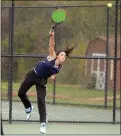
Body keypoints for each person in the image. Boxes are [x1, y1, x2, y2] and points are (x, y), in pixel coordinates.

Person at [18, 30, 74, 134]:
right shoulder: (52, 56)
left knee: (41, 101)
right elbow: (51, 46)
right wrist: (52, 36)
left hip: (42, 81)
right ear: (57, 56)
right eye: (62, 55)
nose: (63, 57)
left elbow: (54, 72)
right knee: (20, 93)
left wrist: (52, 75)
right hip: (33, 74)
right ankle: (28, 107)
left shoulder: (60, 67)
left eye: (65, 56)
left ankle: (43, 124)